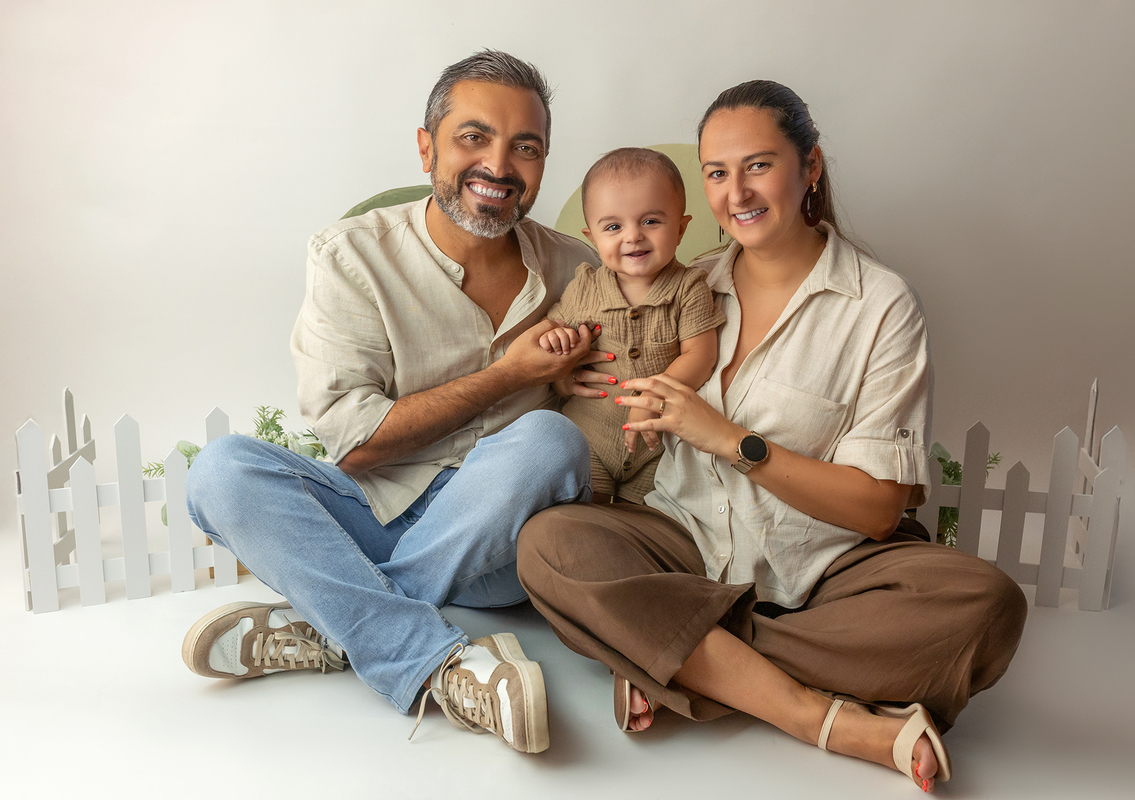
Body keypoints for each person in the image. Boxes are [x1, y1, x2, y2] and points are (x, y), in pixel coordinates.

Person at [517, 80, 1027, 790]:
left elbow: (880, 509)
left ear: (809, 166)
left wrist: (730, 440)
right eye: (718, 173)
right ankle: (815, 713)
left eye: (758, 165)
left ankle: (670, 656)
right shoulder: (684, 284)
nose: (738, 193)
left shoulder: (880, 306)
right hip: (681, 539)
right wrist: (574, 374)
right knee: (549, 546)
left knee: (989, 607)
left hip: (824, 569)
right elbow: (604, 368)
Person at [182, 50, 607, 755]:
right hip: (370, 515)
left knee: (551, 443)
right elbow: (355, 443)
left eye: (525, 147)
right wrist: (509, 374)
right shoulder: (351, 255)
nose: (499, 166)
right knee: (221, 471)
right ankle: (433, 657)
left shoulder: (579, 268)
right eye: (474, 137)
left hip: (501, 548)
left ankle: (338, 622)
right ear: (426, 146)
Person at [538, 148, 724, 504]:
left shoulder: (689, 287)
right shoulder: (585, 286)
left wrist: (652, 394)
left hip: (660, 449)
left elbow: (701, 356)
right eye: (613, 227)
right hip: (588, 438)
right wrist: (558, 347)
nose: (633, 236)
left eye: (651, 221)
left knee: (642, 525)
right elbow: (550, 330)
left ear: (681, 227)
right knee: (584, 518)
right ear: (592, 237)